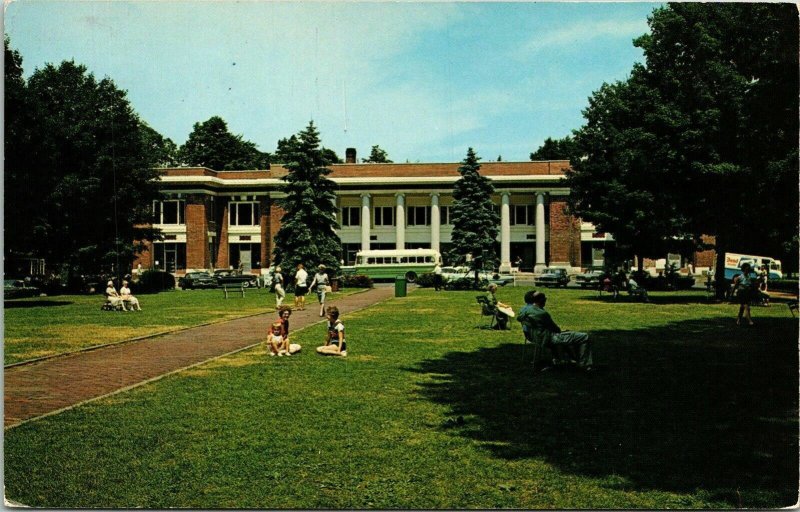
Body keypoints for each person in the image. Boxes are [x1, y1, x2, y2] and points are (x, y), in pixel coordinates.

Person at [517, 291, 593, 371]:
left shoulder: (523, 310)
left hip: (532, 336)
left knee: (567, 336)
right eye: (544, 298)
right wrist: (563, 331)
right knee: (584, 337)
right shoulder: (541, 314)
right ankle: (584, 364)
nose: (545, 300)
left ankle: (566, 359)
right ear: (538, 300)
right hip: (547, 338)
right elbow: (555, 329)